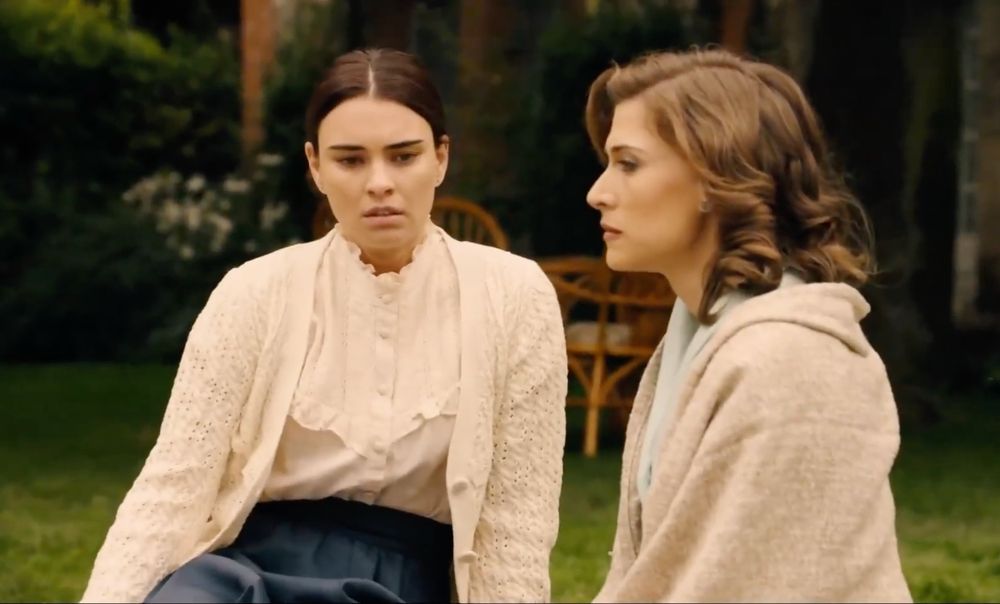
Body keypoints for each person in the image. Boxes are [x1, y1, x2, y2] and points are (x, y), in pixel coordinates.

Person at [81, 48, 567, 604]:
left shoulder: (514, 296)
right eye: (351, 160)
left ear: (441, 157)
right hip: (241, 575)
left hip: (404, 581)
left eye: (403, 157)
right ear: (315, 166)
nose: (379, 182)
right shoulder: (254, 291)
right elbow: (173, 485)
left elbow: (518, 519)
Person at [583, 48, 912, 602]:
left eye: (629, 163)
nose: (598, 193)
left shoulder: (789, 361)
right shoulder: (698, 335)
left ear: (717, 175)